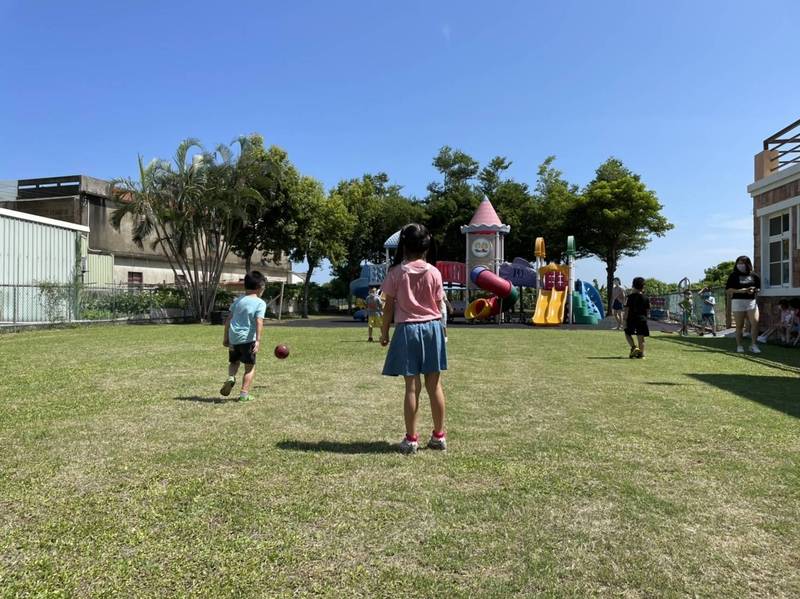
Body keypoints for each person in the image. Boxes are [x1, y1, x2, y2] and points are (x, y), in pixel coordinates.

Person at [380, 223, 448, 454]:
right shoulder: (435, 272)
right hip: (433, 328)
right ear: (426, 247)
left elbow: (388, 307)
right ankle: (439, 436)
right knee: (434, 385)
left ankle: (411, 439)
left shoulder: (396, 272)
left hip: (407, 329)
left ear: (404, 246)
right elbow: (438, 305)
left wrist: (384, 332)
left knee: (412, 387)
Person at [220, 271, 267, 401]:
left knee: (234, 362)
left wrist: (226, 338)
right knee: (249, 368)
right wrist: (257, 340)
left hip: (234, 338)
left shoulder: (237, 301)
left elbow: (228, 320)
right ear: (260, 287)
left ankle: (231, 377)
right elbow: (259, 321)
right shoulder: (260, 303)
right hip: (248, 339)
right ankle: (244, 395)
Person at [725, 256, 761, 354]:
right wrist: (740, 290)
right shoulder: (733, 275)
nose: (740, 265)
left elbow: (758, 288)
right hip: (738, 301)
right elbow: (728, 290)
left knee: (755, 322)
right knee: (739, 325)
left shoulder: (754, 275)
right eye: (739, 263)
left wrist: (754, 290)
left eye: (743, 263)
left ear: (747, 264)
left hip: (751, 301)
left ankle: (753, 345)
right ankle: (739, 345)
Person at [624, 276, 650, 359]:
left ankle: (634, 347)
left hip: (631, 319)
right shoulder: (646, 298)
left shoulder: (630, 297)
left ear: (633, 286)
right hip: (642, 319)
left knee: (627, 333)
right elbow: (648, 312)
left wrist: (624, 320)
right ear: (643, 286)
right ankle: (641, 354)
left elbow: (626, 310)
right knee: (641, 338)